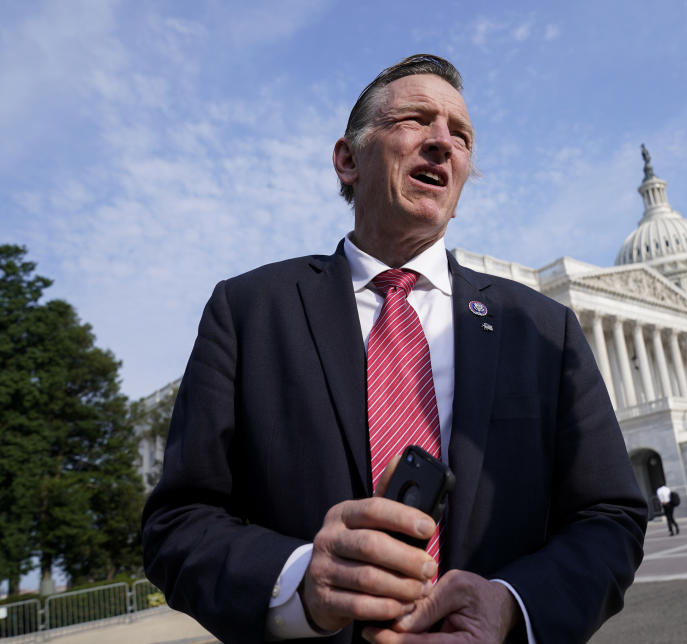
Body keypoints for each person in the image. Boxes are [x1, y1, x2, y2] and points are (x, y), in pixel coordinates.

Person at [141, 54, 647, 644]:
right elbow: (178, 522)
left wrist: (511, 606)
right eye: (415, 120)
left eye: (461, 136)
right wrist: (300, 582)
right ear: (347, 160)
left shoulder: (542, 327)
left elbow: (609, 516)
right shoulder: (249, 312)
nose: (443, 143)